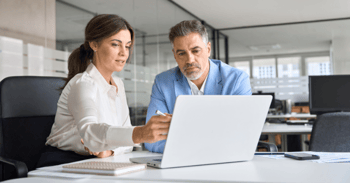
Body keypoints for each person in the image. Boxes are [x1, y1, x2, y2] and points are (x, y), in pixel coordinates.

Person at [36, 14, 171, 168]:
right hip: (61, 162)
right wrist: (140, 133)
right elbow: (90, 133)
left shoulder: (118, 84)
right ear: (94, 44)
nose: (124, 53)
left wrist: (110, 151)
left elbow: (127, 144)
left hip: (99, 161)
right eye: (115, 44)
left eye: (127, 46)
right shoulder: (83, 84)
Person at [144, 20, 252, 153]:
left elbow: (242, 133)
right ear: (175, 55)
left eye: (195, 51)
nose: (190, 60)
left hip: (224, 161)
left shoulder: (236, 80)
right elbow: (151, 138)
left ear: (208, 49)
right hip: (179, 164)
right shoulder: (163, 82)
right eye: (181, 53)